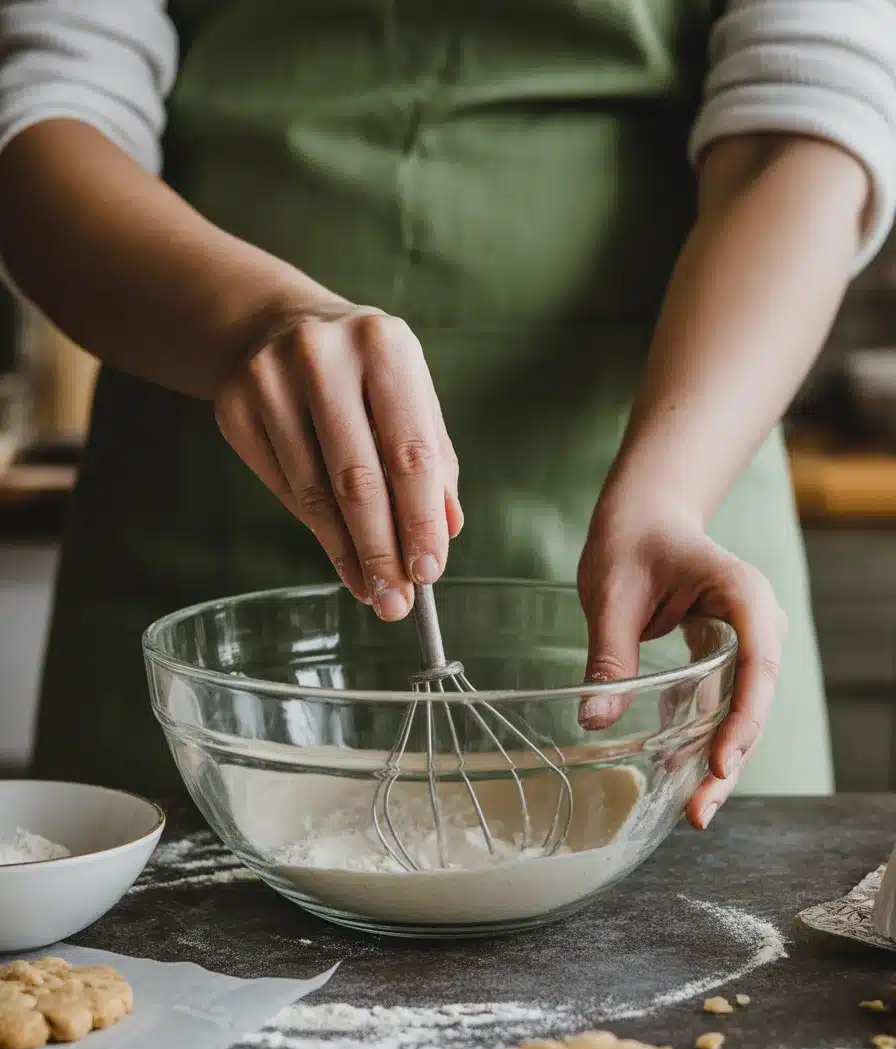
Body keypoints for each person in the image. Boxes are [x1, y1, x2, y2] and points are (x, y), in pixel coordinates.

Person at [0, 1, 893, 825]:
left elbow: (808, 119)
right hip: (206, 523)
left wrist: (671, 491)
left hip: (673, 482)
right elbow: (45, 112)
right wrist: (249, 325)